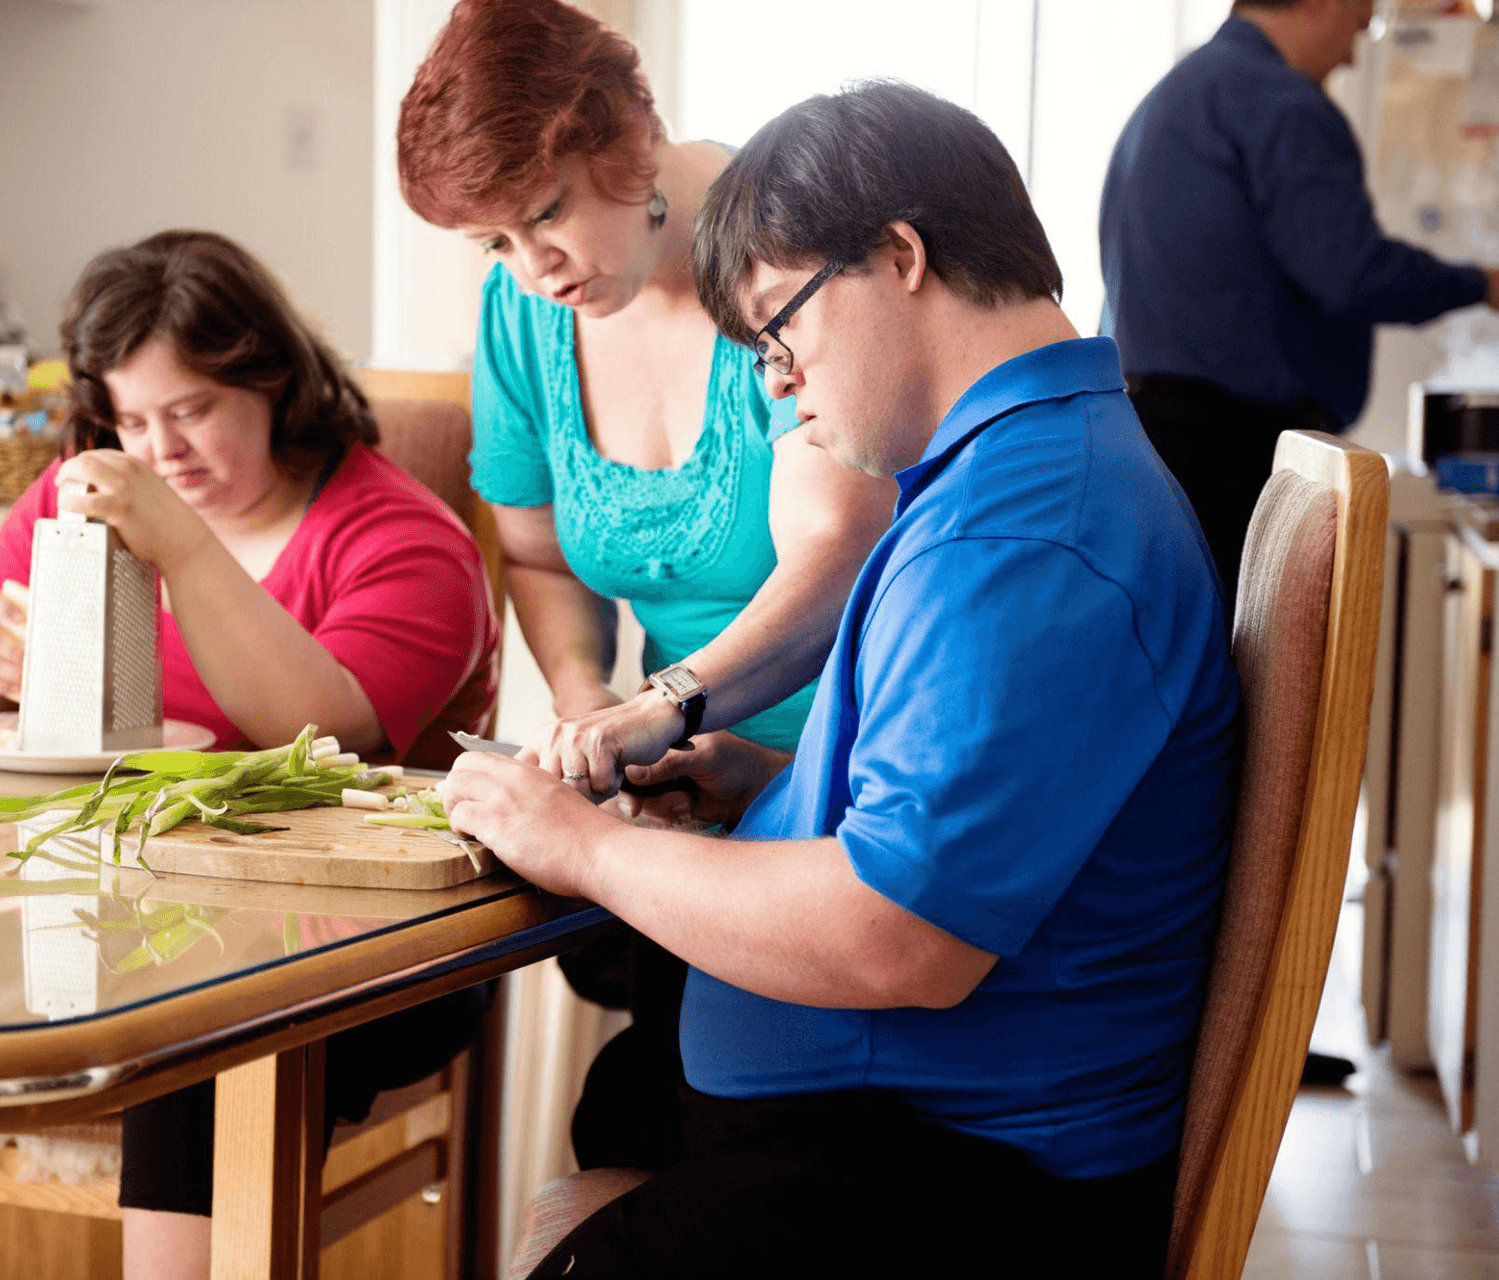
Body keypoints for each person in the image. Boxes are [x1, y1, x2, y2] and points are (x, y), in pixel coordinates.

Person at [438, 81, 1241, 1278]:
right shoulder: (1007, 473)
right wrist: (763, 778)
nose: (773, 380)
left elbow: (900, 936)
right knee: (618, 1112)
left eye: (782, 329)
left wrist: (584, 847)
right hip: (904, 1129)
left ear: (899, 257)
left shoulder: (1025, 536)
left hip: (958, 1179)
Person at [0, 229, 500, 1280]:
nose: (160, 450)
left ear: (272, 380)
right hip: (114, 914)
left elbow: (322, 735)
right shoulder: (82, 495)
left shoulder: (403, 540)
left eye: (190, 410)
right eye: (131, 419)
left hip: (369, 956)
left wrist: (178, 541)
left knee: (196, 1022)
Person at [396, 0, 895, 1170]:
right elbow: (533, 553)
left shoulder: (774, 255)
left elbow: (839, 555)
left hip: (833, 778)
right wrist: (583, 703)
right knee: (631, 1109)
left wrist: (660, 704)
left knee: (657, 1115)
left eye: (546, 215)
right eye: (495, 244)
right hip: (681, 776)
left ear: (624, 132)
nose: (532, 268)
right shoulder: (526, 313)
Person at [1100, 0, 1499, 610]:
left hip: (1147, 447)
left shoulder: (1170, 98)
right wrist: (1490, 285)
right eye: (1356, 21)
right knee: (1246, 680)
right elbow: (1350, 272)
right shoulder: (1279, 102)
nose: (1357, 43)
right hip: (1226, 457)